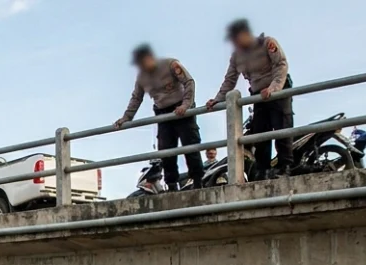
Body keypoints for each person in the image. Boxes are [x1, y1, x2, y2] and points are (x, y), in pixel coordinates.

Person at [208, 18, 292, 180]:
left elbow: (281, 65)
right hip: (258, 94)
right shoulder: (237, 57)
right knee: (259, 132)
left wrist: (274, 88)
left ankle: (285, 167)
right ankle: (263, 170)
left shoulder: (267, 43)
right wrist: (217, 99)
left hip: (278, 90)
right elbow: (230, 80)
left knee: (282, 127)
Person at [115, 44, 202, 192]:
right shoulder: (142, 77)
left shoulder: (170, 64)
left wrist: (186, 105)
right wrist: (126, 117)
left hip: (181, 108)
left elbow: (189, 82)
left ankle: (198, 180)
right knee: (166, 150)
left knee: (190, 145)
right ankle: (172, 184)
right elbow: (136, 98)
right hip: (163, 113)